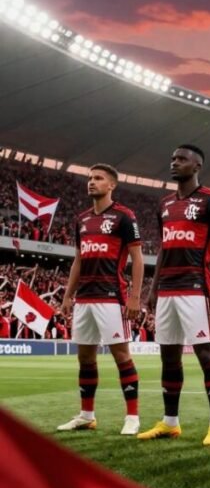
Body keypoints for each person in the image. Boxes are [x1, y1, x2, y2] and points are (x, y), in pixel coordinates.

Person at [137, 144, 210, 446]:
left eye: (182, 159)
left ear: (197, 166)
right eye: (173, 158)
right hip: (167, 290)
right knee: (169, 357)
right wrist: (152, 289)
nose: (174, 163)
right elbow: (164, 247)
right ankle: (170, 423)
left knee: (205, 354)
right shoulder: (164, 204)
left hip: (196, 288)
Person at [57, 164, 144, 436]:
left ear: (111, 185)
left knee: (121, 356)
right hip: (84, 298)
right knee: (85, 358)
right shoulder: (81, 219)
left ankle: (132, 417)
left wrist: (134, 297)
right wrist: (68, 295)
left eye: (98, 179)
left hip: (111, 297)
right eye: (90, 178)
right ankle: (86, 415)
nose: (91, 183)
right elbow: (78, 261)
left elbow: (138, 259)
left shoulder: (124, 217)